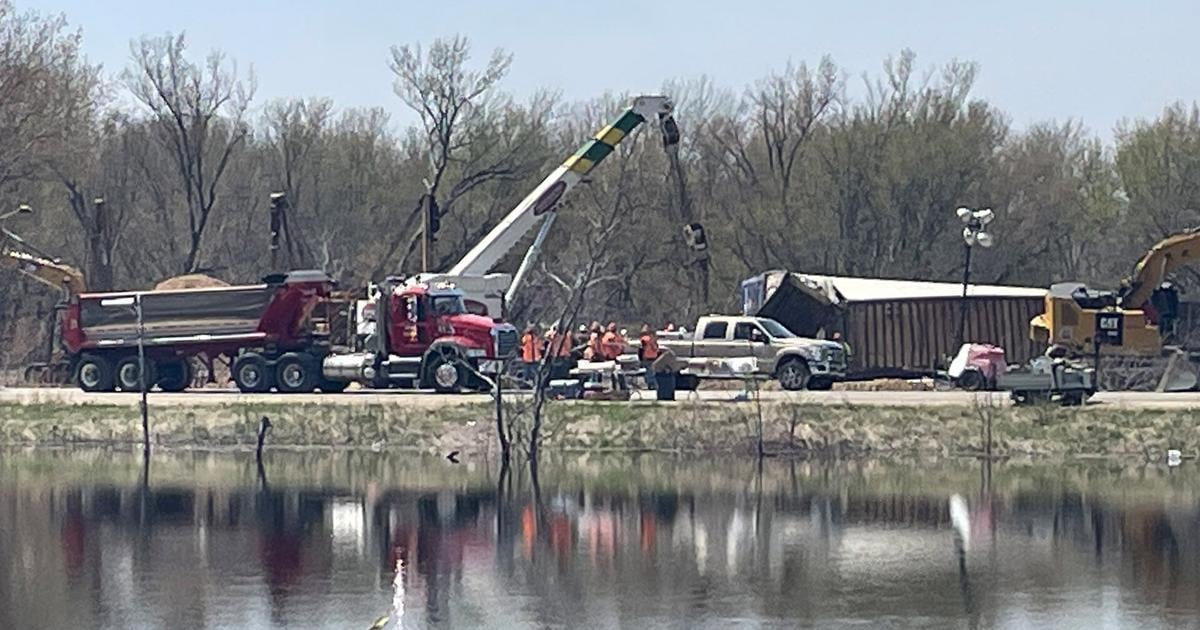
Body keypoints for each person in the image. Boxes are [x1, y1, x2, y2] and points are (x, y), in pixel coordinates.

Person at [638, 324, 660, 389]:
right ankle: (653, 385)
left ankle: (650, 384)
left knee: (648, 372)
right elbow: (654, 347)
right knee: (651, 372)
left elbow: (641, 349)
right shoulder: (650, 338)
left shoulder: (643, 339)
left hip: (647, 357)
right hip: (651, 357)